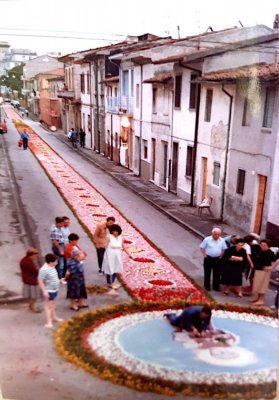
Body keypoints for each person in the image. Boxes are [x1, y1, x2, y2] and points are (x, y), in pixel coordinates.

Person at [250, 239, 279, 305]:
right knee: (257, 285)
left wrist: (271, 267)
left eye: (264, 245)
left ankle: (261, 300)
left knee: (262, 285)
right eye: (261, 244)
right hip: (258, 269)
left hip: (264, 271)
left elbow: (277, 259)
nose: (262, 246)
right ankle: (258, 298)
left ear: (268, 246)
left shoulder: (269, 252)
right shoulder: (259, 250)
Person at [38, 253, 63, 328]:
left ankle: (54, 317)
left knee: (52, 304)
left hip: (54, 289)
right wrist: (44, 291)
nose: (57, 263)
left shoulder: (52, 267)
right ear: (50, 262)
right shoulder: (43, 269)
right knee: (48, 306)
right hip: (49, 290)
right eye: (55, 261)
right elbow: (40, 280)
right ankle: (49, 322)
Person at [200, 228, 227, 292]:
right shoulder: (207, 239)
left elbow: (224, 249)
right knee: (207, 272)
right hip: (208, 258)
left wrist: (221, 255)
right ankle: (207, 286)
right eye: (215, 234)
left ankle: (216, 286)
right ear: (212, 234)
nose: (216, 236)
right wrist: (204, 255)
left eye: (218, 234)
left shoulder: (222, 240)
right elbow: (202, 247)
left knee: (217, 273)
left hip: (217, 259)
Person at [102, 224, 126, 291]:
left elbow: (123, 246)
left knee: (115, 268)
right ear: (111, 231)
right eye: (114, 231)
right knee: (109, 268)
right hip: (110, 254)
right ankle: (109, 282)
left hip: (117, 254)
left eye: (116, 231)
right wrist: (106, 252)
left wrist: (128, 253)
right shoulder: (109, 237)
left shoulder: (121, 237)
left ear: (119, 231)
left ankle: (111, 281)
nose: (115, 233)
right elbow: (105, 245)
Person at [19, 247, 40, 312]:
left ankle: (30, 305)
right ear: (30, 255)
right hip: (31, 280)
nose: (35, 257)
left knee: (30, 295)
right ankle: (33, 307)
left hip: (27, 279)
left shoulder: (24, 260)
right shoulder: (27, 262)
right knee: (33, 295)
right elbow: (35, 271)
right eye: (35, 255)